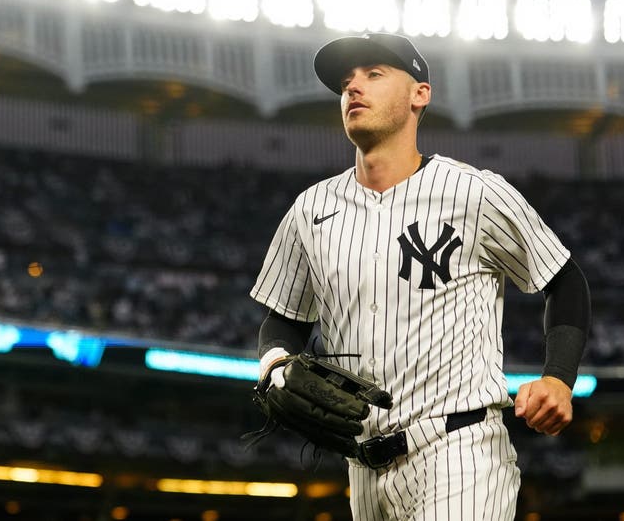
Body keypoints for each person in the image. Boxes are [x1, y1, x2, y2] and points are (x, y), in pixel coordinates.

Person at [249, 33, 591, 520]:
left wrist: (558, 378)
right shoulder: (310, 209)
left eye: (373, 74)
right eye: (346, 82)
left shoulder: (474, 192)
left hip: (460, 452)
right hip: (362, 470)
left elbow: (564, 280)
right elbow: (282, 321)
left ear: (419, 94)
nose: (353, 88)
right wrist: (275, 367)